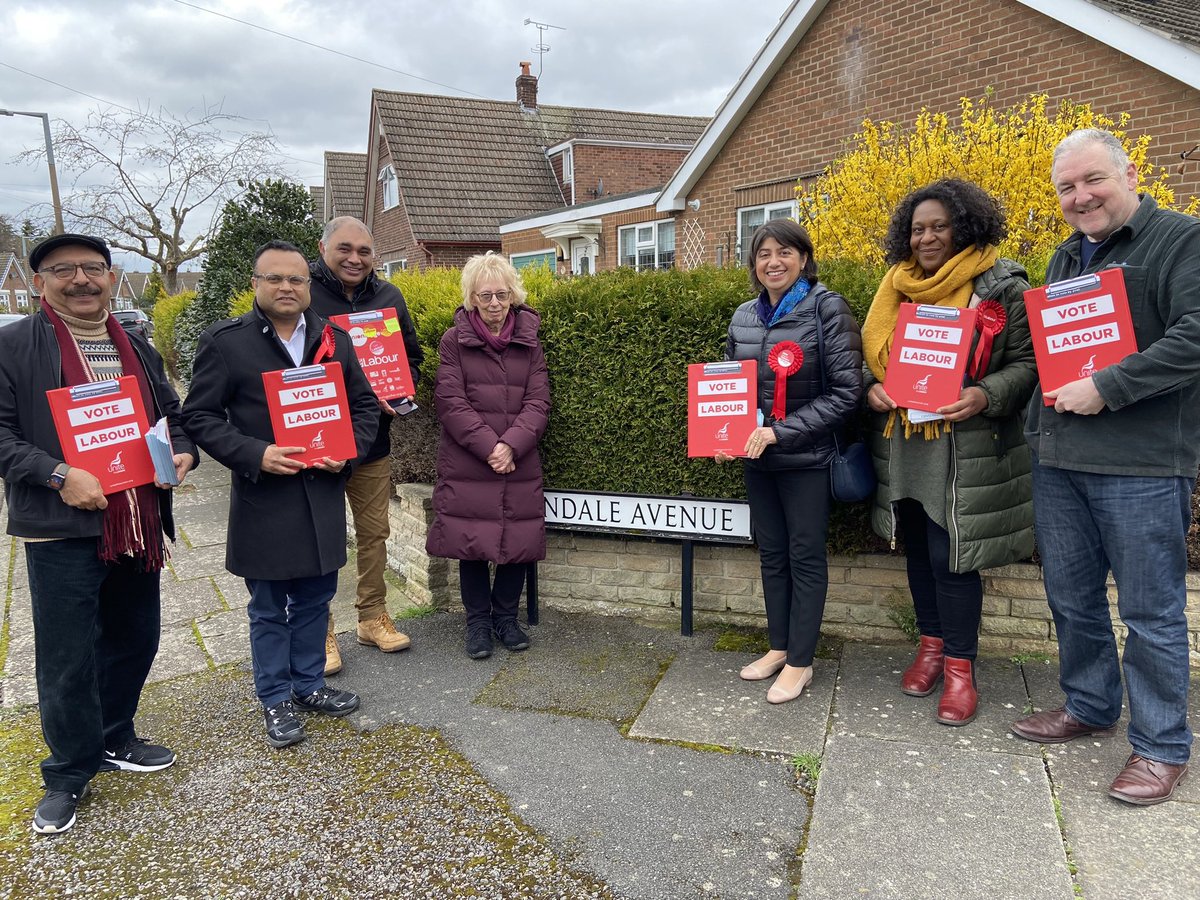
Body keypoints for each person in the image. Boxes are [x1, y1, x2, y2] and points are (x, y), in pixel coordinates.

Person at [1010, 129, 1200, 805]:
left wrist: (1109, 385)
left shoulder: (1181, 239)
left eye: (1093, 179)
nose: (1081, 196)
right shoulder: (1067, 254)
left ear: (1131, 173)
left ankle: (1161, 747)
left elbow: (1196, 334)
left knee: (1150, 612)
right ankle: (1089, 705)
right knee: (1072, 598)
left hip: (1141, 465)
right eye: (1067, 187)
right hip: (1061, 459)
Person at [0, 233, 196, 834]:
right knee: (67, 657)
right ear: (39, 283)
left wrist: (182, 453)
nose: (81, 279)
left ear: (111, 278)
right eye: (64, 270)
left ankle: (115, 735)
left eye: (93, 268)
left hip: (136, 519)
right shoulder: (12, 345)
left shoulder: (136, 346)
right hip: (62, 528)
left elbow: (173, 417)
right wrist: (58, 474)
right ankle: (67, 772)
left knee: (135, 637)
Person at [182, 240, 378, 749]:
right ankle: (275, 698)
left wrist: (347, 452)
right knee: (269, 608)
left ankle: (309, 686)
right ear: (256, 284)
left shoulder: (335, 338)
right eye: (274, 278)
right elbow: (198, 416)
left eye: (296, 279)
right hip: (265, 498)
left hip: (321, 495)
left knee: (316, 600)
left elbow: (363, 407)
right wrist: (255, 453)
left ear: (308, 286)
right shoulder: (226, 342)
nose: (286, 287)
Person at [862, 179, 1037, 727]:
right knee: (918, 549)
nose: (928, 238)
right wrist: (872, 388)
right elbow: (873, 357)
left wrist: (986, 394)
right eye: (918, 229)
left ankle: (961, 669)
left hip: (964, 448)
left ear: (965, 227)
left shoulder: (1001, 285)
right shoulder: (896, 285)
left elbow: (1029, 364)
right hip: (904, 442)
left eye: (940, 226)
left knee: (951, 557)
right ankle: (931, 648)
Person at [722, 219, 862, 704]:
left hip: (807, 459)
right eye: (763, 254)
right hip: (758, 460)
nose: (773, 262)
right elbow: (730, 389)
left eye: (784, 252)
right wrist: (723, 433)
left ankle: (801, 662)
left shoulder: (827, 308)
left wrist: (779, 432)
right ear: (753, 263)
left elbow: (847, 393)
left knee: (805, 557)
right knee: (772, 555)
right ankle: (779, 647)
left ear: (803, 258)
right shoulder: (744, 315)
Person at [308, 216, 424, 675]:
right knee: (321, 537)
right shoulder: (304, 297)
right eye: (345, 248)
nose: (355, 259)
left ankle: (372, 617)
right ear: (323, 248)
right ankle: (319, 630)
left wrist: (400, 390)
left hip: (373, 442)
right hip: (321, 447)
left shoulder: (389, 297)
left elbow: (411, 358)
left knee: (375, 533)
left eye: (364, 251)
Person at [425, 252, 550, 659]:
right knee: (472, 544)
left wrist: (511, 444)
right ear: (472, 298)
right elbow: (450, 401)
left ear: (513, 295)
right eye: (485, 296)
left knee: (518, 541)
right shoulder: (453, 341)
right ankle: (478, 623)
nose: (494, 303)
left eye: (501, 294)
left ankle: (506, 619)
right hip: (469, 460)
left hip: (518, 458)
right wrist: (490, 447)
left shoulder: (530, 341)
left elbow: (538, 401)